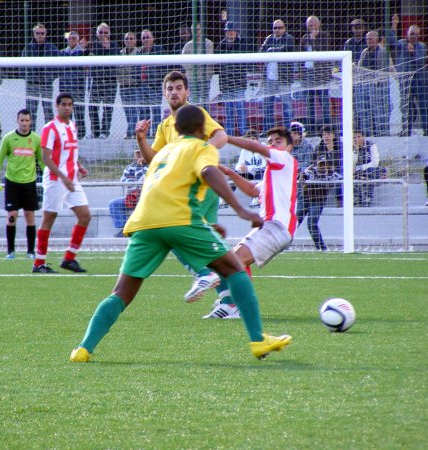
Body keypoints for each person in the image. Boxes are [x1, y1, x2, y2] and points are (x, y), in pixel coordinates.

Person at [70, 105, 292, 363]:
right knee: (234, 269)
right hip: (180, 220)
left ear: (175, 128)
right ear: (202, 129)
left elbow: (169, 187)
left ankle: (83, 349)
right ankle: (258, 340)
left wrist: (207, 224)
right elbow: (209, 173)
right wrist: (241, 209)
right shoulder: (203, 147)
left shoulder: (163, 152)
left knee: (121, 292)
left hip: (144, 224)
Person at [136, 70, 228, 302]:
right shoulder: (164, 125)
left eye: (179, 88)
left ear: (187, 92)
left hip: (199, 188)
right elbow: (154, 159)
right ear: (164, 93)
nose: (174, 92)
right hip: (192, 191)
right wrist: (141, 140)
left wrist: (199, 152)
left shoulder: (196, 114)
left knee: (174, 234)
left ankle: (203, 273)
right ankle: (229, 301)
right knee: (210, 247)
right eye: (170, 88)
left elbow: (221, 136)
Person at [203, 126, 299, 318]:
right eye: (270, 141)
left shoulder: (284, 159)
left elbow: (257, 147)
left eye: (278, 141)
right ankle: (234, 303)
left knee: (234, 260)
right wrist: (229, 173)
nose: (272, 144)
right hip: (274, 227)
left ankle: (238, 306)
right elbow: (253, 190)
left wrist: (227, 138)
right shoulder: (275, 172)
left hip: (276, 226)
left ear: (289, 147)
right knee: (232, 259)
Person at [32, 93, 90, 274]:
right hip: (56, 180)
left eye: (70, 104)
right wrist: (64, 178)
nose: (67, 107)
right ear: (57, 106)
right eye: (63, 104)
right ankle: (38, 263)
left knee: (85, 216)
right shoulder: (50, 128)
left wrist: (79, 166)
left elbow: (70, 152)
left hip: (71, 179)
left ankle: (69, 258)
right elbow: (46, 158)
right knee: (49, 219)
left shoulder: (72, 126)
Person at [0, 109, 42, 259]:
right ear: (17, 121)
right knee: (12, 215)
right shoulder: (8, 138)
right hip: (12, 183)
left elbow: (42, 160)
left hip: (29, 183)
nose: (24, 123)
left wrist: (49, 175)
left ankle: (30, 251)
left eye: (27, 120)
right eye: (22, 120)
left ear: (30, 121)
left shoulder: (36, 139)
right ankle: (10, 251)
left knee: (29, 215)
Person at [393, 24, 428, 137]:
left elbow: (421, 61)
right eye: (411, 34)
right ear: (407, 34)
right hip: (406, 81)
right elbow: (391, 42)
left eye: (416, 35)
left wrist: (413, 52)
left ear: (419, 35)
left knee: (424, 106)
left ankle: (427, 131)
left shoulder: (422, 46)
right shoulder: (401, 43)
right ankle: (406, 131)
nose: (413, 36)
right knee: (406, 107)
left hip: (420, 81)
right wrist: (394, 26)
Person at [295, 155, 342, 250]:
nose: (322, 166)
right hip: (305, 198)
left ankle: (321, 248)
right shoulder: (311, 170)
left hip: (318, 201)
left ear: (328, 165)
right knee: (294, 222)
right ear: (317, 164)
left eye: (325, 164)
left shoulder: (333, 175)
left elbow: (344, 180)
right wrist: (301, 176)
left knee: (311, 224)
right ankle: (283, 244)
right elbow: (301, 176)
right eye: (321, 164)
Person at [21, 24, 60, 131]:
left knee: (48, 110)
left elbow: (58, 66)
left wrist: (50, 77)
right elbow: (22, 67)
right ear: (34, 34)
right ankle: (30, 133)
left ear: (46, 34)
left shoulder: (52, 48)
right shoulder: (28, 48)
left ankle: (50, 133)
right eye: (37, 33)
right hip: (32, 84)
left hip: (46, 84)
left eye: (42, 33)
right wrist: (29, 78)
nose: (40, 35)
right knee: (31, 111)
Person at [299, 16, 333, 134]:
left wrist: (313, 40)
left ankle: (328, 130)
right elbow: (301, 56)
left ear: (319, 25)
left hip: (321, 77)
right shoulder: (304, 38)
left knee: (324, 104)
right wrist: (301, 71)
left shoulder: (325, 36)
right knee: (309, 106)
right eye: (310, 25)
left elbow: (322, 51)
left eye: (314, 24)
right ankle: (311, 130)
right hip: (308, 77)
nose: (312, 27)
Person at [356, 30, 394, 137]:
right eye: (367, 39)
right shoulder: (364, 52)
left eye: (371, 39)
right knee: (365, 113)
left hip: (379, 87)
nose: (369, 41)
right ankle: (367, 135)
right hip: (365, 87)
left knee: (380, 113)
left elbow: (390, 68)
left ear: (377, 39)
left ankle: (382, 135)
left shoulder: (383, 52)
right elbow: (360, 68)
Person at [260, 19, 295, 134]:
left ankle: (288, 130)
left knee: (286, 105)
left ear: (284, 28)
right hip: (269, 78)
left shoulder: (289, 38)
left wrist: (271, 50)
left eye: (280, 28)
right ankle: (268, 130)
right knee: (267, 105)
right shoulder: (269, 38)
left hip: (284, 78)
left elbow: (286, 48)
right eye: (275, 28)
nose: (278, 30)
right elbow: (261, 51)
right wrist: (271, 49)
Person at [216, 21, 250, 136]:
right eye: (228, 31)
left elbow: (244, 63)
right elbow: (219, 66)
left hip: (239, 83)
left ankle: (243, 133)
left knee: (241, 110)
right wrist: (221, 86)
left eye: (233, 31)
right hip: (227, 84)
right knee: (228, 111)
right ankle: (229, 134)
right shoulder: (221, 45)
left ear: (236, 32)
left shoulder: (242, 43)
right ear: (225, 32)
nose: (231, 33)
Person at [88, 23, 119, 139]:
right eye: (101, 32)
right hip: (96, 81)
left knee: (107, 108)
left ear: (109, 34)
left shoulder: (114, 45)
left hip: (110, 82)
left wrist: (108, 49)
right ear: (97, 34)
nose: (103, 35)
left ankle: (104, 132)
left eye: (105, 32)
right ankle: (95, 131)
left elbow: (116, 62)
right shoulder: (93, 45)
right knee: (92, 107)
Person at [109, 149, 147, 237]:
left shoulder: (152, 165)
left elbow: (145, 181)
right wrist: (136, 186)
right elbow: (123, 182)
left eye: (141, 153)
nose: (139, 155)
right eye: (137, 153)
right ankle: (124, 230)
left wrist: (139, 167)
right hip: (132, 197)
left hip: (147, 197)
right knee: (114, 204)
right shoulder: (129, 167)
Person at [137, 29, 166, 138]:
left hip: (155, 85)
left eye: (147, 37)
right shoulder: (139, 52)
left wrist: (161, 80)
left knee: (156, 110)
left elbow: (164, 68)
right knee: (143, 111)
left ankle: (156, 133)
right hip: (142, 85)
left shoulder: (159, 50)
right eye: (143, 38)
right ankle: (145, 133)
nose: (145, 40)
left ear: (153, 38)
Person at [60, 31, 89, 139]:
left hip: (78, 87)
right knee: (66, 112)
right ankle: (67, 133)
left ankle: (80, 135)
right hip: (65, 87)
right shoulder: (62, 53)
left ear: (78, 40)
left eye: (74, 38)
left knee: (79, 111)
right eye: (70, 38)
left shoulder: (83, 52)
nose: (72, 40)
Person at [181, 23, 214, 106]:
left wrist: (193, 64)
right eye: (194, 30)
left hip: (205, 78)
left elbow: (208, 60)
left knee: (205, 102)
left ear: (202, 30)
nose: (196, 32)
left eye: (198, 29)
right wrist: (197, 64)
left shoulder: (208, 44)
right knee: (193, 102)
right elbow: (183, 63)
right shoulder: (187, 45)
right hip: (191, 79)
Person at [352, 129, 386, 206]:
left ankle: (367, 197)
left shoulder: (371, 145)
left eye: (359, 137)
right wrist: (356, 151)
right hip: (356, 173)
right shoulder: (351, 148)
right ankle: (358, 198)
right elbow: (351, 165)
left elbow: (375, 163)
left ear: (364, 137)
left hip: (368, 171)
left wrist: (360, 168)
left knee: (375, 170)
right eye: (354, 137)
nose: (356, 139)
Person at [233, 128, 265, 208]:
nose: (251, 141)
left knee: (259, 172)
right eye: (248, 140)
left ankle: (257, 198)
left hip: (263, 174)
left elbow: (264, 166)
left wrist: (248, 168)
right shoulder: (245, 150)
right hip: (250, 173)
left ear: (258, 140)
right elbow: (238, 165)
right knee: (234, 174)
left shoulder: (263, 148)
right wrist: (240, 168)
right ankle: (225, 198)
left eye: (253, 139)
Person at [313, 125, 343, 205]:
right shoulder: (318, 148)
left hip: (338, 173)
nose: (326, 136)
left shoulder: (341, 147)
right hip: (323, 173)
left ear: (334, 135)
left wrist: (331, 151)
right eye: (324, 134)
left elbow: (341, 163)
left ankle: (340, 202)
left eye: (329, 134)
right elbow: (314, 163)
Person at [118, 32, 140, 139]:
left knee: (134, 110)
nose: (129, 41)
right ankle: (132, 131)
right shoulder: (120, 53)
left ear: (135, 41)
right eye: (127, 39)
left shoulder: (139, 53)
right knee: (127, 110)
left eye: (131, 39)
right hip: (123, 85)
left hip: (134, 85)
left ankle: (130, 132)